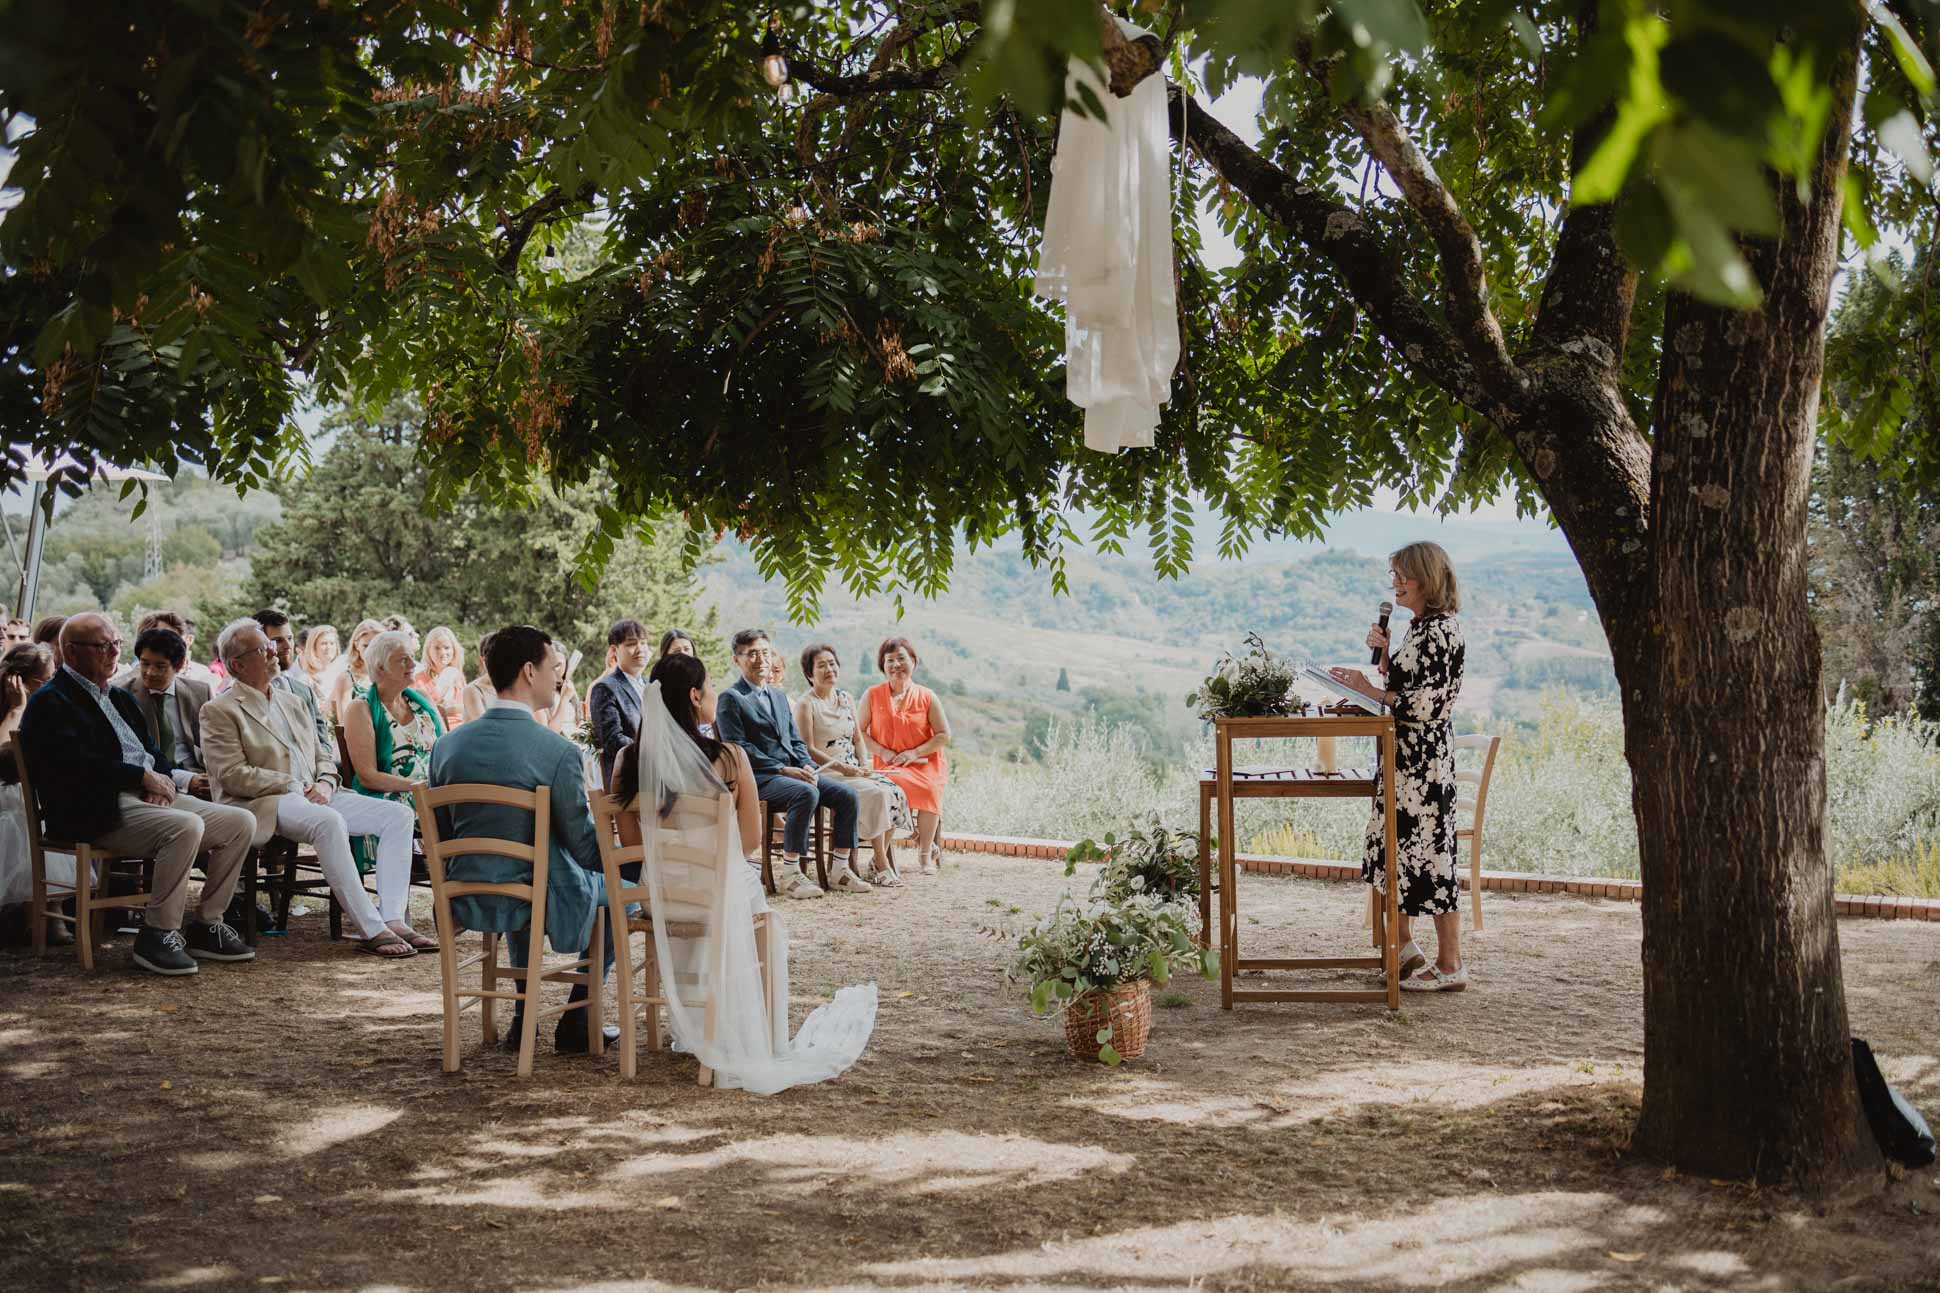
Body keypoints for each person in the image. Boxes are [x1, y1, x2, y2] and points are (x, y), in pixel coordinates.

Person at [612, 650, 876, 1091]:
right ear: (695, 696)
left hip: (657, 895)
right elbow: (751, 841)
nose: (714, 692)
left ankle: (692, 1021)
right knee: (765, 920)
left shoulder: (627, 761)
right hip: (716, 890)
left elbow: (633, 846)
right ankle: (761, 1036)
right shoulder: (729, 759)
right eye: (710, 686)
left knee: (726, 893)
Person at [16, 613, 256, 975]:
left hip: (143, 799)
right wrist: (142, 777)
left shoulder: (119, 698)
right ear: (70, 652)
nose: (114, 652)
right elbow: (74, 766)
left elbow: (153, 753)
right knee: (185, 826)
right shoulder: (51, 702)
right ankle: (158, 933)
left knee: (240, 821)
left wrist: (158, 780)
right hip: (94, 808)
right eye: (102, 646)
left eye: (116, 643)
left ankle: (207, 923)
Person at [428, 625, 612, 1053]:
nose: (559, 679)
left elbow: (441, 832)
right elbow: (584, 847)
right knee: (626, 896)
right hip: (531, 893)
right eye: (553, 668)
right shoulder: (558, 750)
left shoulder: (446, 746)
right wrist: (627, 858)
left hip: (465, 891)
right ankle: (577, 1017)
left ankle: (520, 1014)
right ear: (529, 671)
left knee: (532, 870)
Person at [201, 618, 425, 957]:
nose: (275, 651)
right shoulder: (219, 710)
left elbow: (322, 753)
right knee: (329, 822)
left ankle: (392, 916)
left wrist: (324, 780)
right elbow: (231, 774)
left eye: (272, 645)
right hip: (266, 801)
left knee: (397, 815)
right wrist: (292, 783)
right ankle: (371, 928)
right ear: (237, 664)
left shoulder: (292, 700)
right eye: (263, 649)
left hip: (316, 793)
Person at [1330, 540, 1468, 992]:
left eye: (1402, 576)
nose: (1396, 584)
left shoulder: (1443, 631)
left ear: (1427, 580)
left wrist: (1370, 689)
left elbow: (1427, 704)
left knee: (1433, 858)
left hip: (1424, 766)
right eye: (1394, 576)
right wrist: (1386, 657)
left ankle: (1451, 966)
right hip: (1404, 759)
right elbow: (1407, 685)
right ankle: (1405, 949)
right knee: (1396, 851)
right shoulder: (1418, 629)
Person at [714, 628, 867, 898]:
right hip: (759, 778)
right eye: (752, 654)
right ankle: (791, 874)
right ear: (736, 660)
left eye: (765, 652)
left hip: (792, 773)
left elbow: (796, 741)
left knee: (847, 795)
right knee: (806, 792)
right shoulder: (731, 699)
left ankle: (840, 870)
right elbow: (738, 748)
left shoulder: (778, 696)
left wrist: (807, 765)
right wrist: (782, 768)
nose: (761, 659)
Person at [794, 643, 912, 887]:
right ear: (809, 673)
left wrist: (862, 764)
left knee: (896, 791)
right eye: (821, 665)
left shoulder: (846, 698)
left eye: (832, 663)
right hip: (828, 772)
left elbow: (858, 738)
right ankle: (881, 864)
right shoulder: (806, 704)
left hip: (854, 769)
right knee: (876, 793)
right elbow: (808, 749)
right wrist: (843, 768)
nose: (829, 669)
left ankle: (876, 859)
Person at [858, 637, 952, 875]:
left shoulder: (927, 696)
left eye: (902, 658)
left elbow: (943, 735)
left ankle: (925, 854)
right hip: (889, 765)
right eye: (890, 660)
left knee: (929, 789)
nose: (896, 664)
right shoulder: (872, 695)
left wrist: (915, 752)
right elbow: (858, 732)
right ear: (882, 665)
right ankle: (881, 856)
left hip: (925, 763)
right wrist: (882, 751)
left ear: (913, 662)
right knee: (892, 789)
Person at [344, 630, 444, 819]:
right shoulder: (360, 709)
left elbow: (447, 747)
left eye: (412, 658)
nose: (414, 664)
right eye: (404, 660)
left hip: (434, 793)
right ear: (381, 667)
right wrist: (419, 788)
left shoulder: (422, 699)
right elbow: (368, 776)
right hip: (395, 798)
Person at [0, 643, 59, 914]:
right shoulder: (15, 709)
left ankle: (48, 908)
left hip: (34, 791)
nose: (53, 684)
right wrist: (17, 709)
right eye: (47, 680)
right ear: (21, 683)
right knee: (17, 812)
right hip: (6, 792)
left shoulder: (50, 708)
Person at [123, 627, 212, 798]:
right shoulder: (123, 695)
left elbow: (212, 745)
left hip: (201, 774)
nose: (150, 672)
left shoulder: (200, 692)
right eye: (145, 663)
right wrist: (186, 780)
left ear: (179, 666)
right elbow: (136, 756)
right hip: (154, 779)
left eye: (160, 666)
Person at [255, 609, 336, 768]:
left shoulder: (304, 691)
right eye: (277, 640)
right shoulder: (245, 694)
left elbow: (323, 744)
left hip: (316, 779)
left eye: (290, 638)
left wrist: (323, 779)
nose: (287, 646)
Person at [589, 618, 648, 785]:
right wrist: (653, 752)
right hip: (627, 781)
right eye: (631, 644)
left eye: (643, 643)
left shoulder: (652, 685)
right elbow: (612, 740)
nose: (640, 649)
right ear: (614, 650)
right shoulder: (605, 688)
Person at [327, 618, 383, 726]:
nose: (371, 651)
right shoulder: (346, 679)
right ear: (356, 645)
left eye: (375, 645)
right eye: (366, 646)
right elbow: (345, 724)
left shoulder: (388, 675)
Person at [413, 626, 468, 730]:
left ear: (454, 650)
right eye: (437, 648)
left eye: (447, 648)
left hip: (461, 730)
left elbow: (466, 708)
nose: (442, 653)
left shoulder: (457, 676)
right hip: (434, 732)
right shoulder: (418, 679)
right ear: (428, 650)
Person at [536, 641, 581, 738]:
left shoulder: (568, 688)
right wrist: (564, 699)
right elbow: (548, 735)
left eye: (559, 664)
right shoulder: (539, 693)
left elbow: (577, 721)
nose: (555, 669)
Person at [459, 632, 499, 722]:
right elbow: (484, 728)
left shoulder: (512, 688)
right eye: (491, 656)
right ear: (482, 659)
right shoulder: (472, 690)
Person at [297, 624, 340, 697]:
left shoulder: (342, 672)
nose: (328, 647)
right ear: (314, 648)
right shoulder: (305, 680)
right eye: (324, 643)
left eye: (332, 643)